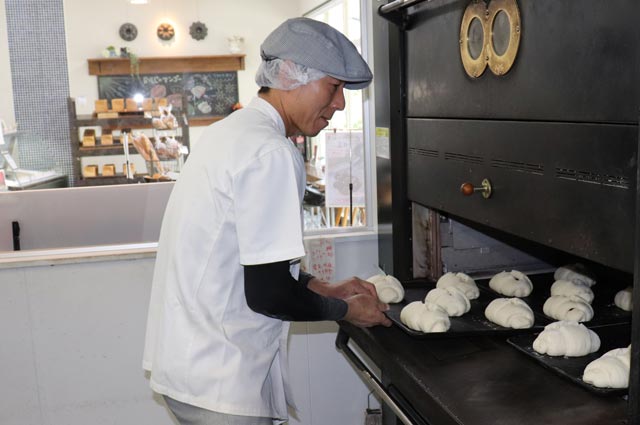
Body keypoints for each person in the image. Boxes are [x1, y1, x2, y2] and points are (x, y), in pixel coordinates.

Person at [142, 17, 392, 425]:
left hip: (191, 370)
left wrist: (320, 285)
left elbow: (250, 261)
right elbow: (269, 294)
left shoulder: (229, 134)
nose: (341, 105)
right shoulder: (270, 152)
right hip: (222, 377)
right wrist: (345, 310)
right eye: (334, 87)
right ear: (291, 75)